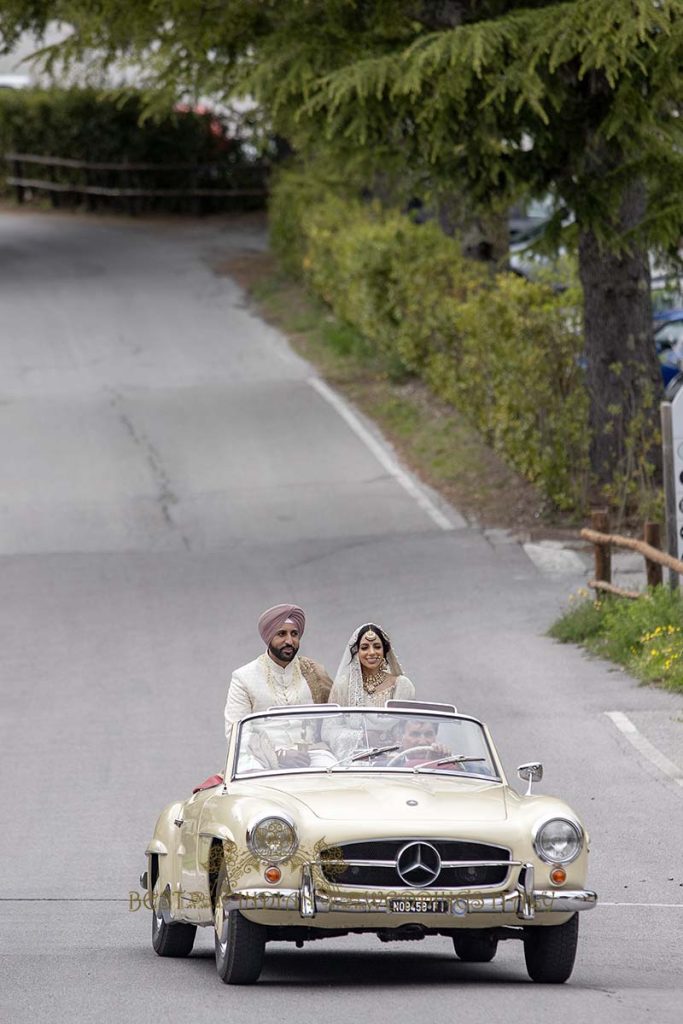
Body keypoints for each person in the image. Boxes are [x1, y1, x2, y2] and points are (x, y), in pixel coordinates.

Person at [223, 603, 333, 767]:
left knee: (335, 775)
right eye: (281, 634)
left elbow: (334, 719)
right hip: (261, 759)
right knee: (250, 778)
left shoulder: (314, 672)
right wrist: (277, 755)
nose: (289, 641)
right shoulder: (244, 677)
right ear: (269, 637)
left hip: (311, 754)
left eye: (294, 634)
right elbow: (236, 732)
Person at [329, 623, 415, 707]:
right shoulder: (343, 687)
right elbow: (332, 720)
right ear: (356, 652)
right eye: (364, 648)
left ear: (384, 651)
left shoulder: (401, 685)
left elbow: (407, 720)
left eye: (377, 647)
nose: (372, 652)